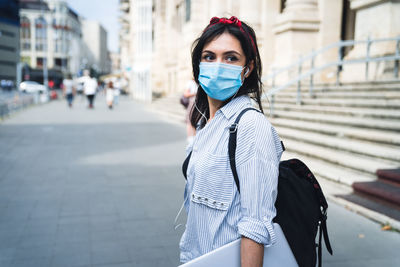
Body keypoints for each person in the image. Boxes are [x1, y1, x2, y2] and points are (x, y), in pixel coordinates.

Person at [179, 16, 284, 266]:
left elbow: (255, 225)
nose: (217, 65)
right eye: (209, 56)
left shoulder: (251, 126)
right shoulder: (207, 124)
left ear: (247, 68)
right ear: (198, 64)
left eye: (230, 58)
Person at [183, 79, 198, 146]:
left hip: (198, 104)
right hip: (192, 103)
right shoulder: (190, 83)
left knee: (196, 121)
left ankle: (195, 137)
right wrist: (195, 93)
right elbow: (186, 94)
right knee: (190, 121)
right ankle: (190, 138)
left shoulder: (199, 82)